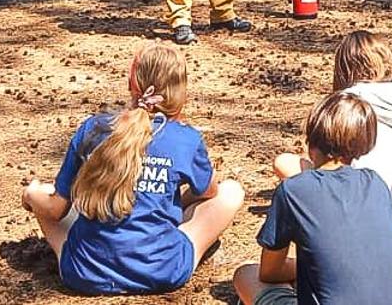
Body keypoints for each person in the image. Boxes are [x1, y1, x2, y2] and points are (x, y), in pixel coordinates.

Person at [20, 43, 245, 295]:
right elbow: (209, 192)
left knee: (45, 194)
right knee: (231, 192)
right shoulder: (186, 138)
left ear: (131, 83)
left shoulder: (94, 128)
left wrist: (31, 194)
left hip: (86, 273)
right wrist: (172, 199)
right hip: (163, 271)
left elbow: (56, 210)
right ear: (181, 92)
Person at [234, 92, 392, 305]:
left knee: (246, 275)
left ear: (310, 142)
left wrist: (314, 266)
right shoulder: (376, 183)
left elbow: (269, 272)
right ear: (363, 145)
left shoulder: (293, 191)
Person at [275, 32, 392, 226]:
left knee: (285, 163)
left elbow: (328, 163)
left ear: (343, 69)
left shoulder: (348, 106)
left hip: (367, 213)